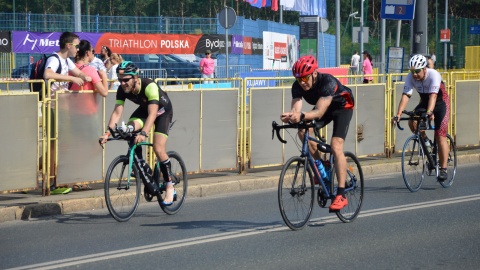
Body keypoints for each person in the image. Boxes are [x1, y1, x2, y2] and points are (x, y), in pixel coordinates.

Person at [280, 55, 355, 211]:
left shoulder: (328, 82)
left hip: (342, 108)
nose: (302, 82)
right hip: (325, 109)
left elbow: (319, 112)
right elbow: (297, 109)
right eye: (299, 79)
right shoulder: (298, 85)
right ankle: (322, 167)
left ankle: (341, 194)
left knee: (336, 145)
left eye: (305, 78)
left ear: (314, 73)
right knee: (302, 130)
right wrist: (292, 116)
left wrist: (300, 116)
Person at [99, 61, 176, 205]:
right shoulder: (122, 89)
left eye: (126, 80)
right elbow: (117, 112)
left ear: (135, 77)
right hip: (145, 109)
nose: (122, 83)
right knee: (128, 129)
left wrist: (144, 133)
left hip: (162, 111)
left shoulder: (149, 85)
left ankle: (169, 185)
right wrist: (107, 133)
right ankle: (142, 165)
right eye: (120, 80)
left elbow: (153, 114)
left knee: (158, 148)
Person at [43, 31, 92, 193]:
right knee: (54, 143)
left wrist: (86, 76)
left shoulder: (67, 61)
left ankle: (49, 176)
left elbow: (78, 72)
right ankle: (52, 182)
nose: (78, 49)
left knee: (60, 143)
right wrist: (72, 79)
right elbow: (47, 74)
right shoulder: (54, 59)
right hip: (52, 106)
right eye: (76, 46)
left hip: (62, 106)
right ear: (68, 45)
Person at [392, 54, 450, 182]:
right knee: (413, 121)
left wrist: (430, 112)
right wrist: (398, 114)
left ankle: (443, 169)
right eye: (412, 71)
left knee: (440, 135)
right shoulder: (410, 77)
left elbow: (433, 96)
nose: (414, 74)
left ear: (424, 69)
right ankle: (426, 141)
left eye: (417, 71)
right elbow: (406, 95)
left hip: (441, 103)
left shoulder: (434, 75)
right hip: (425, 101)